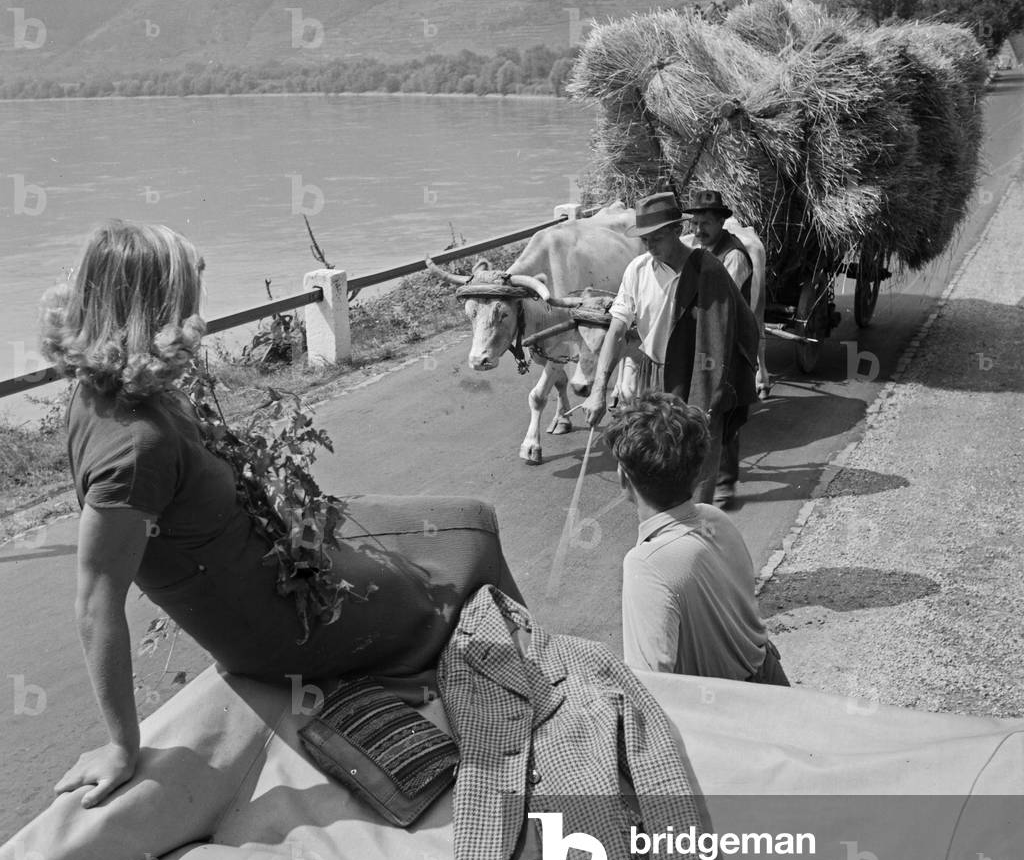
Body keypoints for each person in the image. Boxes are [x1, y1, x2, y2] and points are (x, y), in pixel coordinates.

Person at [39, 219, 522, 809]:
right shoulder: (136, 447)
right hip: (281, 620)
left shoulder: (107, 390)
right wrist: (122, 745)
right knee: (472, 527)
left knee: (435, 524)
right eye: (188, 289)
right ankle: (527, 698)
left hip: (271, 558)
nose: (199, 302)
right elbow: (95, 604)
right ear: (155, 307)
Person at [583, 191, 759, 506]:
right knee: (645, 463)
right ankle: (657, 531)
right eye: (644, 240)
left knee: (697, 467)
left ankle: (695, 534)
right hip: (652, 377)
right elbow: (618, 329)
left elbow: (723, 336)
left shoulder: (709, 271)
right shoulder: (637, 270)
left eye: (656, 239)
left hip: (699, 378)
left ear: (678, 231)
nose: (649, 247)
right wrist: (599, 388)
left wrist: (709, 397)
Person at [603, 390, 789, 684]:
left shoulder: (647, 564)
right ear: (698, 470)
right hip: (772, 684)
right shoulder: (715, 520)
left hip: (727, 716)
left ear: (623, 476)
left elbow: (650, 687)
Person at [681, 188, 756, 509]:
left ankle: (724, 482)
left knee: (722, 406)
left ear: (721, 223)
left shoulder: (733, 257)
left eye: (706, 223)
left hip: (730, 341)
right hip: (702, 339)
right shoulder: (694, 250)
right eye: (695, 223)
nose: (698, 230)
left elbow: (721, 307)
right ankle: (697, 477)